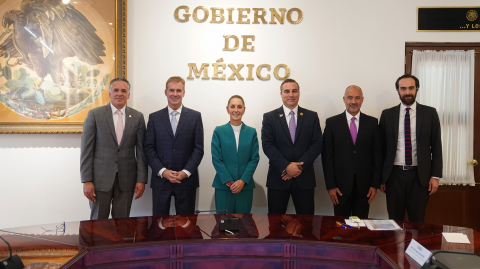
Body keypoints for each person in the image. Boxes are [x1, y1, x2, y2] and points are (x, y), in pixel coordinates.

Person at [80, 77, 148, 220]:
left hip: (127, 180)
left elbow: (141, 152)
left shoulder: (137, 117)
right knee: (98, 224)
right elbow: (86, 150)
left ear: (128, 95)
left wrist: (141, 179)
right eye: (115, 90)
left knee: (122, 225)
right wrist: (86, 180)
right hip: (100, 181)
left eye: (124, 91)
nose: (119, 93)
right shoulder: (95, 115)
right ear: (109, 93)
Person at [379, 74, 442, 223]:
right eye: (403, 88)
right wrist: (381, 177)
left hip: (420, 177)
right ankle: (395, 247)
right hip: (394, 176)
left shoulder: (430, 113)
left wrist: (435, 176)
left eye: (411, 88)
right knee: (394, 220)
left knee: (418, 220)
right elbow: (381, 148)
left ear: (417, 89)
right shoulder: (387, 114)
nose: (407, 92)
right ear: (398, 90)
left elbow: (437, 146)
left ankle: (415, 247)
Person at [144, 76, 204, 216]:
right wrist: (163, 171)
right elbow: (148, 148)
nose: (175, 94)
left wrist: (185, 172)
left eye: (178, 90)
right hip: (161, 180)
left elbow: (198, 148)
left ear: (184, 92)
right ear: (165, 92)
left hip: (187, 181)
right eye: (171, 90)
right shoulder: (154, 118)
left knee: (186, 226)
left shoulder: (195, 117)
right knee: (159, 226)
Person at [261, 78, 323, 215]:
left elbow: (317, 144)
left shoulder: (311, 116)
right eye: (287, 91)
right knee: (275, 226)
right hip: (278, 178)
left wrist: (299, 167)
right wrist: (286, 166)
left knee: (306, 225)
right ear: (281, 94)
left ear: (299, 93)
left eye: (294, 91)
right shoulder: (270, 117)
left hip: (304, 178)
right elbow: (267, 145)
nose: (291, 94)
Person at [322, 85, 382, 218]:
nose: (353, 101)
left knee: (361, 225)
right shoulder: (332, 123)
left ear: (362, 100)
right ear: (344, 99)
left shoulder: (372, 123)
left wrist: (374, 184)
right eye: (350, 98)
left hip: (365, 187)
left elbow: (377, 155)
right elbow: (327, 157)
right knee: (341, 226)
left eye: (357, 98)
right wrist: (330, 186)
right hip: (339, 187)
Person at [211, 95, 260, 214]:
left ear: (244, 109)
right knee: (223, 224)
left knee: (244, 225)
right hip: (224, 186)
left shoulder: (251, 132)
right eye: (232, 106)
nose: (236, 110)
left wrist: (242, 181)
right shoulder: (219, 131)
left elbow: (254, 159)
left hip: (245, 186)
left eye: (239, 106)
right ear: (227, 109)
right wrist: (230, 183)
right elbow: (216, 159)